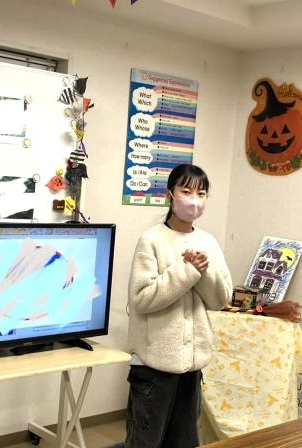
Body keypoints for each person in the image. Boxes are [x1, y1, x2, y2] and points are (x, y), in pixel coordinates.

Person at [125, 163, 233, 448]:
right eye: (186, 191)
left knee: (184, 441)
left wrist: (202, 270)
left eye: (201, 193)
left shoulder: (208, 241)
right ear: (170, 194)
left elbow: (221, 299)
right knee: (145, 441)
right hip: (153, 366)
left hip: (191, 367)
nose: (194, 200)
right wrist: (186, 270)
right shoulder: (151, 239)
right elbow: (142, 299)